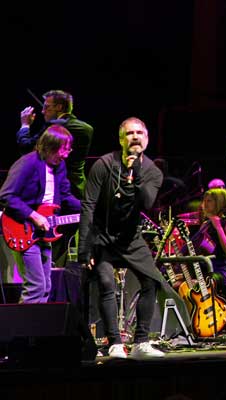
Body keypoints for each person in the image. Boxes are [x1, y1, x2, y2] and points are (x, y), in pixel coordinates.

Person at [78, 117, 169, 359]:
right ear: (121, 139)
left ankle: (141, 342)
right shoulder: (104, 165)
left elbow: (147, 202)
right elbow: (88, 205)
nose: (135, 136)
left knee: (151, 281)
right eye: (129, 133)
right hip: (103, 235)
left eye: (140, 132)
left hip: (131, 238)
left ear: (147, 139)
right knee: (106, 283)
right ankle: (115, 343)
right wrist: (85, 247)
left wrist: (136, 172)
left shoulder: (152, 171)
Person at [0, 125, 80, 303]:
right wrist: (34, 216)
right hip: (22, 229)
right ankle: (22, 322)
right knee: (35, 287)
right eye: (63, 149)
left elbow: (65, 196)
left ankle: (37, 321)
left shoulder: (59, 166)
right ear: (49, 147)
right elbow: (6, 195)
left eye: (68, 149)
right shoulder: (27, 163)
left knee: (45, 288)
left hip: (44, 232)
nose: (66, 154)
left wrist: (88, 207)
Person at [18, 90, 94, 268]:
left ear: (59, 107)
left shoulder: (54, 128)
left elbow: (26, 148)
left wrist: (25, 126)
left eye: (47, 107)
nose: (43, 111)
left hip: (54, 194)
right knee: (68, 242)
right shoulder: (86, 128)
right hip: (77, 190)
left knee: (49, 242)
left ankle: (51, 275)